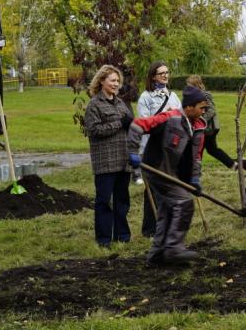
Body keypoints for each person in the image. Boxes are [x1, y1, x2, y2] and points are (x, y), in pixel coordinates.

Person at [127, 86, 209, 265]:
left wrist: (194, 179)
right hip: (157, 170)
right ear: (188, 107)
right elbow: (137, 125)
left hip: (174, 174)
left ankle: (157, 255)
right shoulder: (169, 118)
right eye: (201, 107)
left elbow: (196, 157)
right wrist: (133, 152)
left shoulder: (199, 128)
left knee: (167, 210)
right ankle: (173, 248)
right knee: (184, 203)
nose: (204, 111)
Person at [83, 65, 134, 247]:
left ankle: (122, 236)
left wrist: (131, 125)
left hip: (123, 160)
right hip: (105, 161)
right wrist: (119, 123)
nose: (116, 84)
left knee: (122, 200)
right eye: (112, 80)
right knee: (104, 201)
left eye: (117, 81)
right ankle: (104, 239)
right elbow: (94, 130)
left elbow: (129, 125)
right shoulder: (94, 105)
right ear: (102, 81)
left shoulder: (121, 104)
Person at [137, 61, 181, 237]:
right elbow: (144, 125)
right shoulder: (145, 97)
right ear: (153, 76)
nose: (165, 75)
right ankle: (150, 229)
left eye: (167, 72)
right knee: (153, 191)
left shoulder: (173, 96)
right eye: (161, 73)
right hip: (152, 151)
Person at [185, 76, 235, 169]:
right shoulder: (196, 95)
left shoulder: (204, 95)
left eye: (190, 86)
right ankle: (233, 164)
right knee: (212, 149)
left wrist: (200, 120)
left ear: (196, 86)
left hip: (208, 129)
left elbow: (211, 110)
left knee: (198, 150)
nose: (188, 88)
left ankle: (194, 170)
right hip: (206, 129)